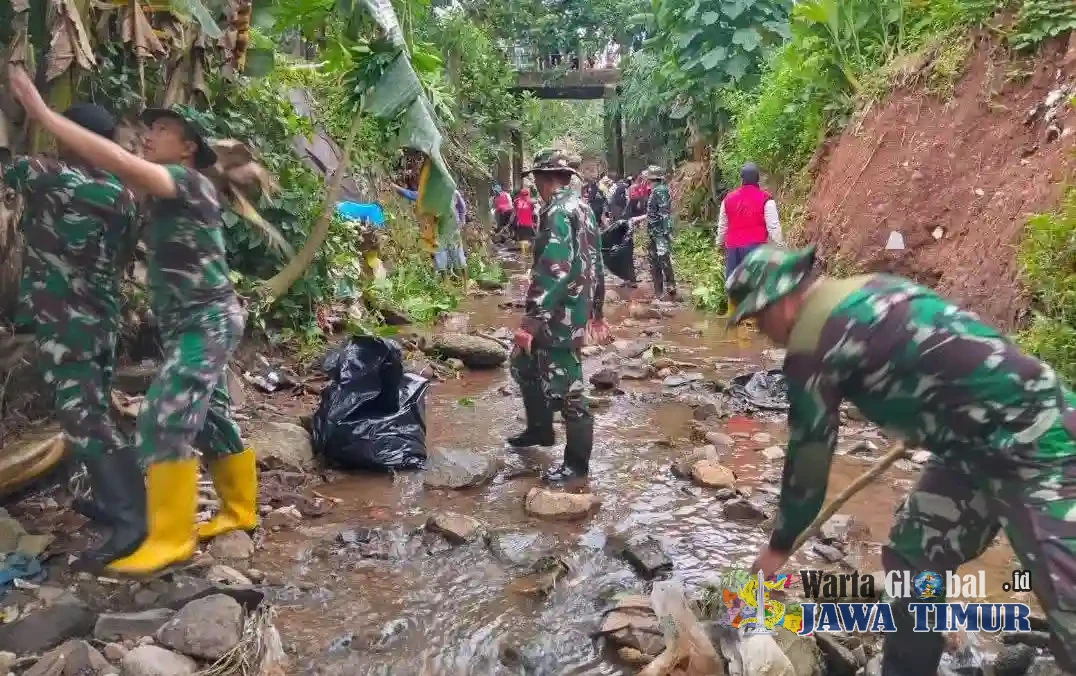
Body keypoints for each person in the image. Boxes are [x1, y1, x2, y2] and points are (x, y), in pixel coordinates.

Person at [728, 245, 1076, 676]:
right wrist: (925, 417)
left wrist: (778, 547)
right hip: (968, 446)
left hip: (1033, 440)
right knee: (914, 556)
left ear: (781, 300)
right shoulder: (867, 289)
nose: (763, 331)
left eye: (759, 318)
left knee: (1068, 601)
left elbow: (809, 457)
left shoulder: (811, 340)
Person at [10, 66, 257, 576]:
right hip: (182, 321)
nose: (148, 134)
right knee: (211, 416)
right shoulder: (154, 189)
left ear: (187, 147)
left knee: (163, 418)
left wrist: (40, 113)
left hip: (202, 321)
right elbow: (118, 170)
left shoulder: (181, 180)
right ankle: (240, 510)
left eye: (161, 130)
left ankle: (168, 536)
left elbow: (114, 159)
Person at [1, 103, 144, 570]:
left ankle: (129, 519)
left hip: (65, 319)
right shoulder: (121, 194)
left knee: (83, 416)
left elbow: (10, 166)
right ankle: (112, 502)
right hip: (100, 315)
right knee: (96, 406)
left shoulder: (49, 175)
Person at [508, 149, 606, 483]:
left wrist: (530, 322)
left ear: (545, 178)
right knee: (522, 364)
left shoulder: (557, 212)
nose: (535, 184)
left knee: (568, 391)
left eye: (536, 178)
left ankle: (576, 466)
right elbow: (596, 260)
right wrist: (598, 309)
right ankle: (539, 430)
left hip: (558, 315)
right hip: (574, 308)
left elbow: (554, 270)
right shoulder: (583, 208)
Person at [716, 162, 784, 314]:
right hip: (755, 249)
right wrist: (780, 247)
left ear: (741, 180)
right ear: (757, 180)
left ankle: (733, 318)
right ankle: (752, 320)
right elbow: (774, 227)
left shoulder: (728, 199)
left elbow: (722, 226)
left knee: (734, 283)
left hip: (733, 249)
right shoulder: (766, 199)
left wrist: (719, 244)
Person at [641, 165, 676, 299]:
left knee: (661, 258)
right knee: (656, 259)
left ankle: (667, 288)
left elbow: (664, 213)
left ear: (651, 177)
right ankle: (660, 290)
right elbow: (655, 213)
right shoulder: (656, 190)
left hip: (659, 232)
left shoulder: (659, 190)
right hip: (654, 231)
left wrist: (665, 232)